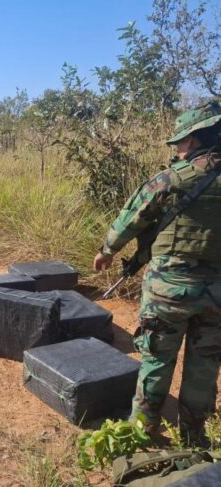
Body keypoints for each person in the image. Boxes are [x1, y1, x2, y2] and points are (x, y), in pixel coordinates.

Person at [93, 101, 221, 447]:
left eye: (179, 143)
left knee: (156, 360)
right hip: (217, 296)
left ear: (192, 140)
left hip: (168, 291)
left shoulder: (170, 179)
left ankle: (142, 431)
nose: (177, 150)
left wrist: (107, 251)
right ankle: (194, 438)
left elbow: (131, 218)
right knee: (205, 367)